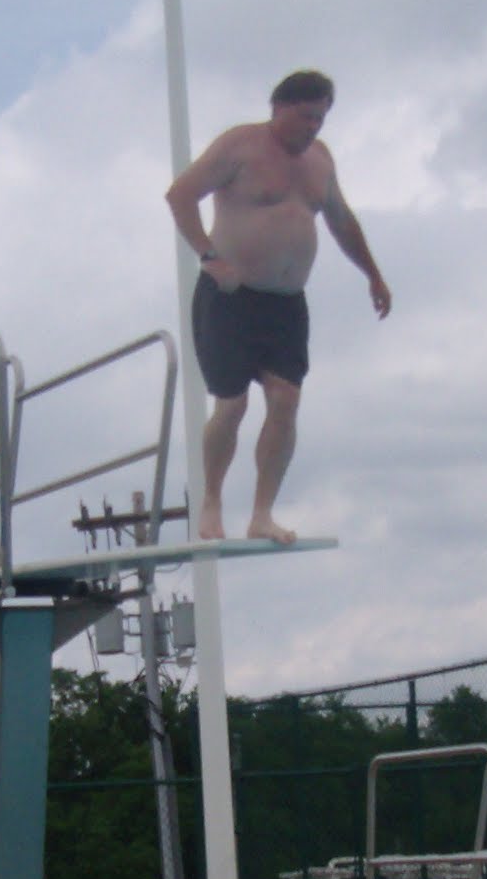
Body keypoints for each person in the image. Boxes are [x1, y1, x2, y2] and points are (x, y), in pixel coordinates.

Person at [165, 69, 391, 545]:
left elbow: (342, 222)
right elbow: (180, 194)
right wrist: (208, 254)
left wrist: (372, 273)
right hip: (229, 297)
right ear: (278, 109)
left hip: (286, 304)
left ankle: (262, 513)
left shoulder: (320, 161)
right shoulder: (240, 146)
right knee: (231, 406)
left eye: (321, 119)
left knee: (286, 402)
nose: (313, 127)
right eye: (306, 116)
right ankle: (211, 502)